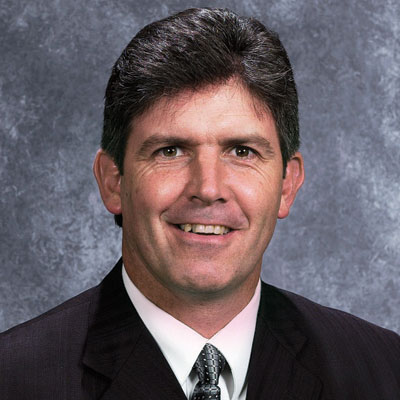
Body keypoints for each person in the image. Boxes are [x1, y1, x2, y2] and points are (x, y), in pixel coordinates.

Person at [1, 7, 399, 400]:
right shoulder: (14, 379)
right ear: (113, 181)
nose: (208, 189)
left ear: (286, 185)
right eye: (170, 151)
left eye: (241, 151)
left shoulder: (384, 370)